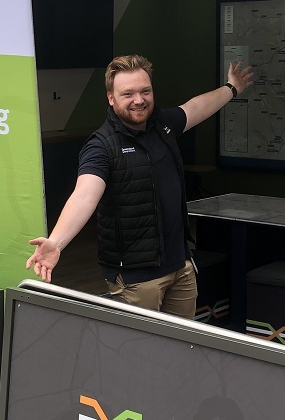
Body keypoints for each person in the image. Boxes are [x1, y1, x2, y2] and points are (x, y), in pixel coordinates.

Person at [27, 54, 254, 318]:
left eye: (145, 91)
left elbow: (196, 108)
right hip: (137, 280)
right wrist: (56, 242)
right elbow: (84, 195)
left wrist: (232, 88)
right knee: (140, 356)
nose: (139, 100)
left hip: (180, 268)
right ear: (111, 99)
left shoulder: (163, 125)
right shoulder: (101, 146)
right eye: (128, 94)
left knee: (182, 351)